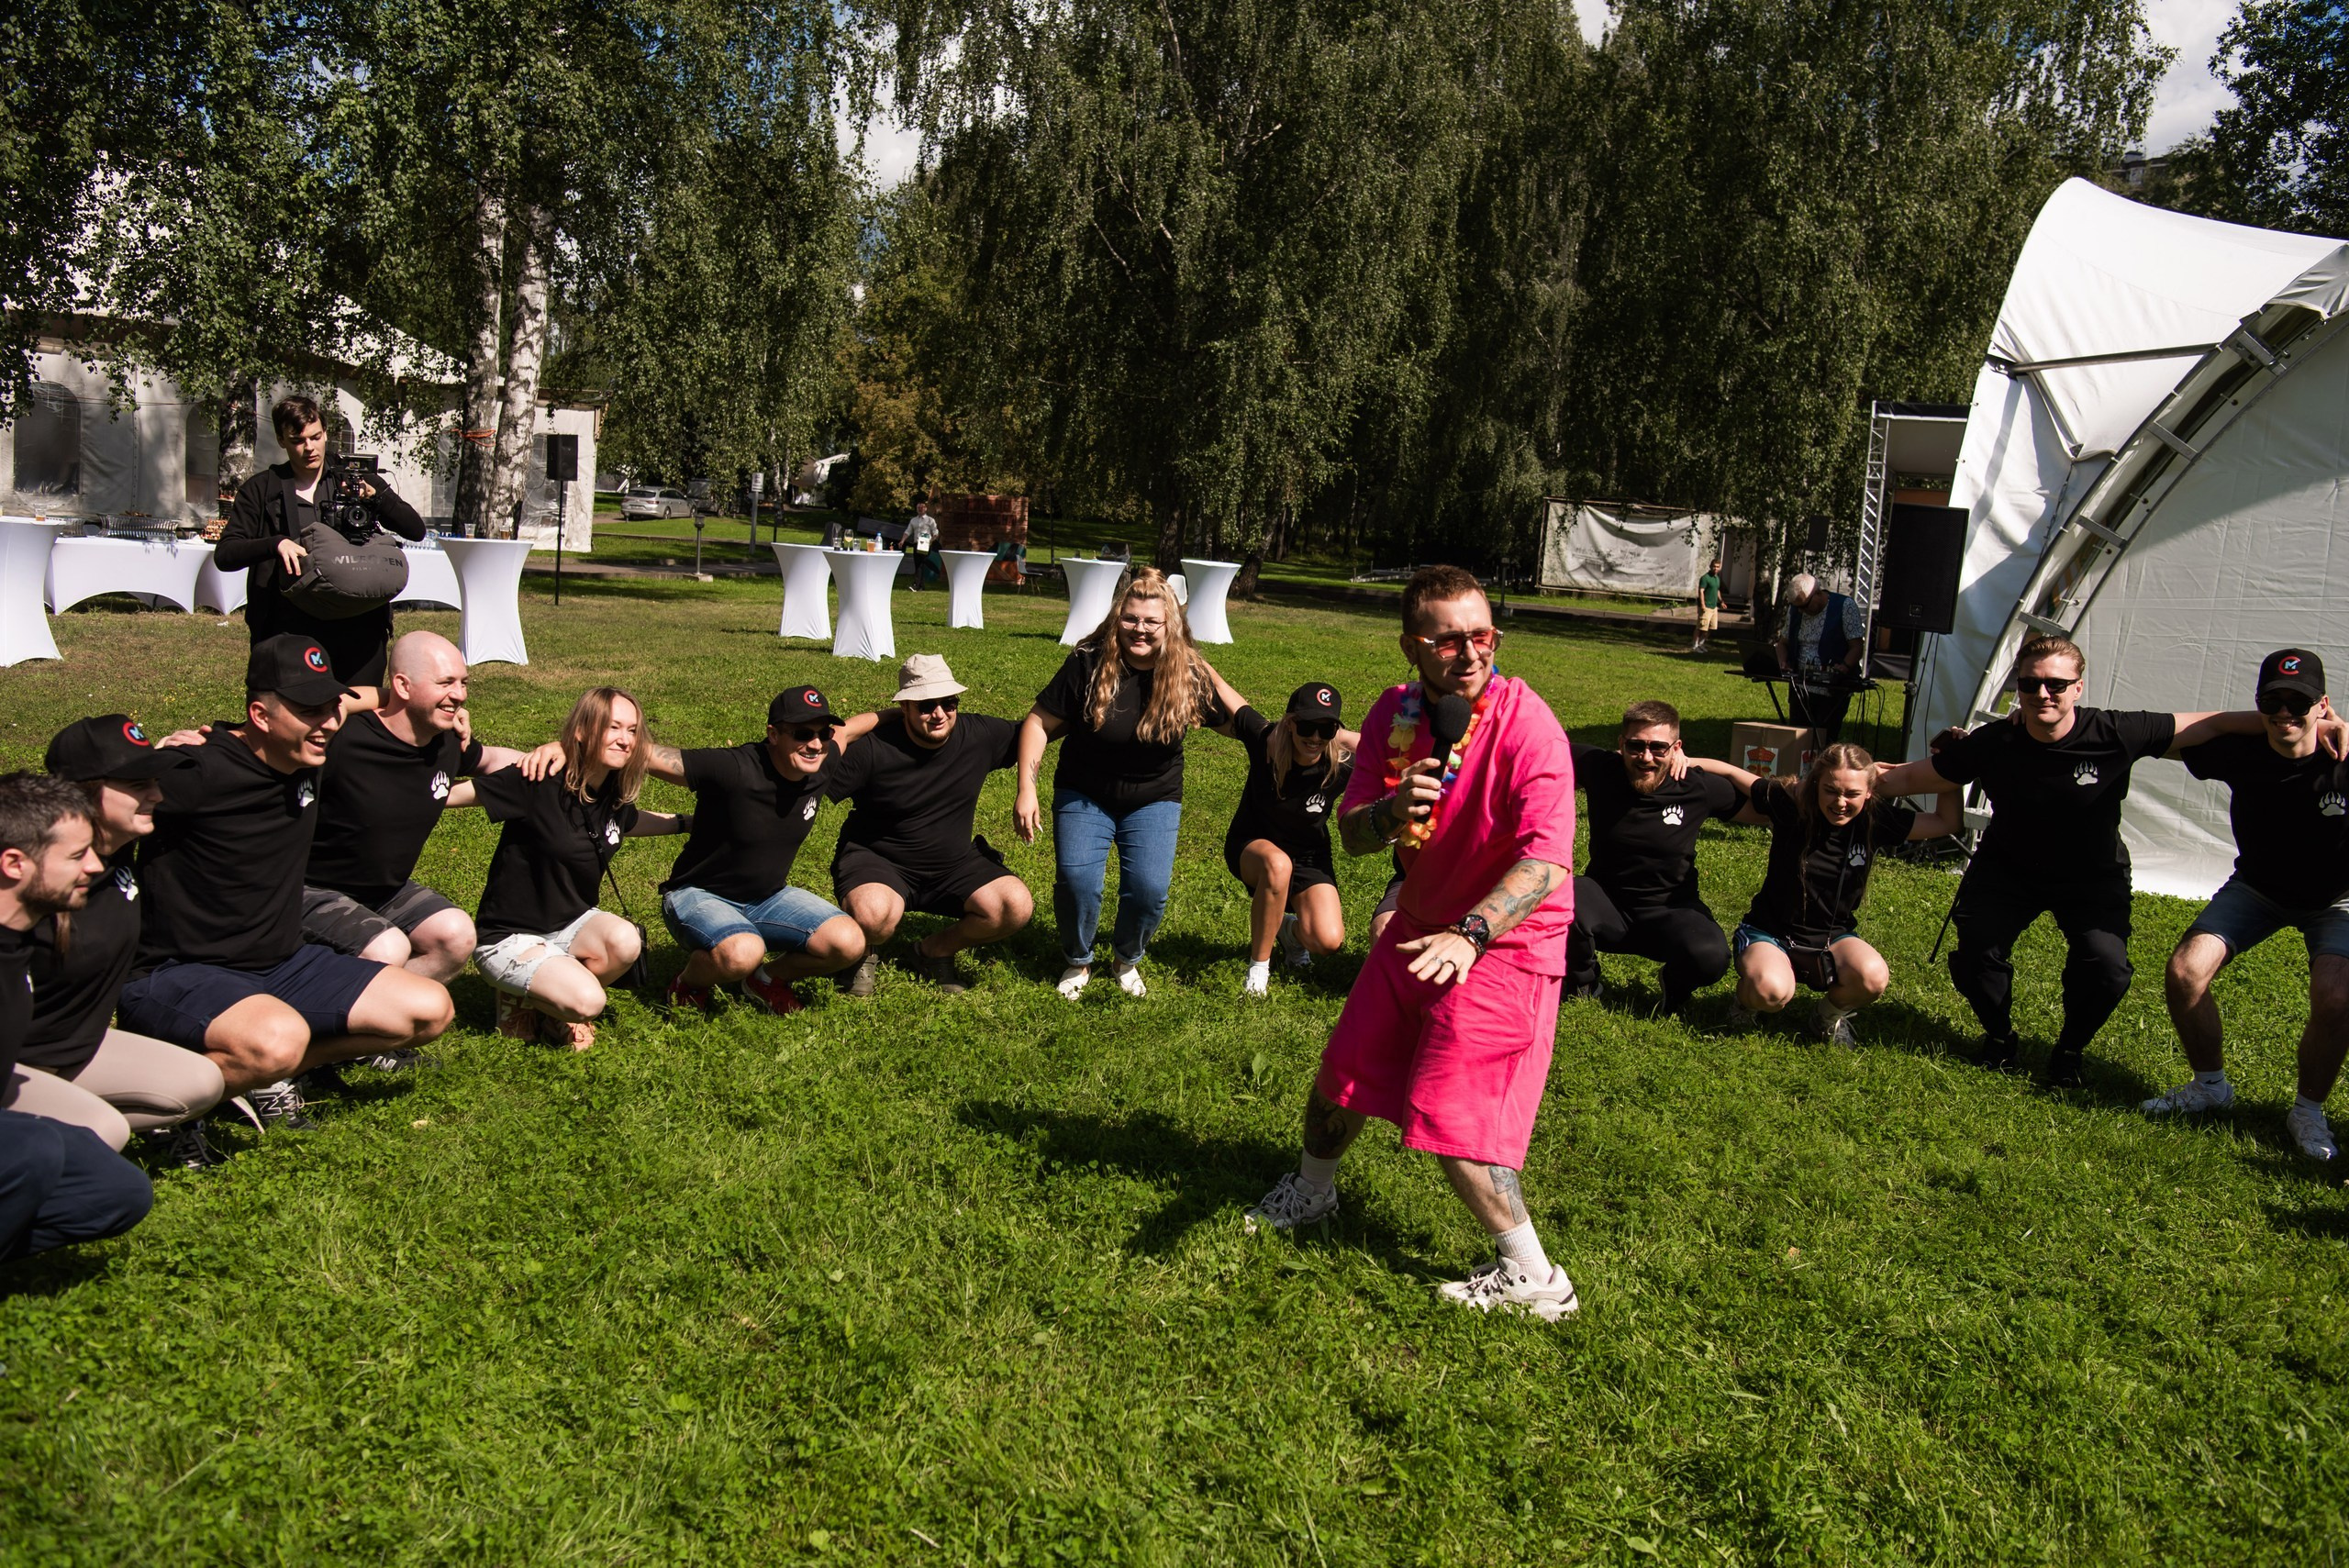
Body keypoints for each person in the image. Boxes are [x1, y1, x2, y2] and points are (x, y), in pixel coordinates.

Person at [1246, 565, 1583, 1321]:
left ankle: (1535, 1275)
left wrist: (1470, 935)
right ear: (1413, 646)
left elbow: (1547, 862)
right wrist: (1393, 812)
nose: (1471, 652)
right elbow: (1354, 834)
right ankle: (1312, 1193)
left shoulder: (1531, 727)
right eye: (1451, 638)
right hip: (1419, 924)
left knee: (1456, 1120)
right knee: (1342, 1074)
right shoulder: (1394, 715)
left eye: (1484, 634)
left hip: (1506, 940)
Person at [1876, 633, 2299, 1085]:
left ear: (2078, 687)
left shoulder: (2116, 730)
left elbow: (2211, 724)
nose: (2043, 693)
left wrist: (2309, 721)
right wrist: (1842, 781)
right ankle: (1999, 1037)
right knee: (1976, 951)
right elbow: (1912, 777)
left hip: (2091, 874)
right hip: (2007, 868)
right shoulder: (1992, 741)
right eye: (2030, 683)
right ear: (2017, 688)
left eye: (2056, 684)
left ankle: (2069, 1050)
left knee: (2107, 968)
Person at [119, 636, 456, 1131]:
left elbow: (367, 699)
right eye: (308, 711)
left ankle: (257, 1074)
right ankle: (173, 1106)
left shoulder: (306, 752)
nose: (327, 723)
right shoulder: (196, 772)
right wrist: (162, 753)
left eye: (330, 707)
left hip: (282, 962)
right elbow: (92, 801)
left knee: (430, 1010)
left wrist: (431, 698)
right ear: (260, 716)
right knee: (280, 1039)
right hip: (185, 968)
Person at [2143, 650, 2349, 1161]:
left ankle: (2307, 1110)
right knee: (2185, 972)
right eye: (2272, 701)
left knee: (2336, 998)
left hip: (2337, 899)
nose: (2285, 713)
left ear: (2321, 704)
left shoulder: (2345, 757)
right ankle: (2211, 1087)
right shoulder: (2241, 750)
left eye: (2298, 703)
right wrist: (2255, 720)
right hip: (2257, 889)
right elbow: (2155, 735)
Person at [1015, 566, 1244, 1000]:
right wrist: (1027, 788)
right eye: (1130, 618)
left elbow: (1239, 725)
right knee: (1076, 881)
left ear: (1169, 625)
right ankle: (1078, 959)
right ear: (1118, 617)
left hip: (1154, 797)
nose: (1139, 629)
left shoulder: (1186, 672)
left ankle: (1125, 957)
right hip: (1084, 792)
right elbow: (1037, 723)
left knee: (1149, 891)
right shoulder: (1087, 662)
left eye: (1151, 621)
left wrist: (1209, 672)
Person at [8, 721, 225, 1167]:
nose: (158, 795)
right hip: (17, 1065)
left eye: (157, 781)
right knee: (103, 1131)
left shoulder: (117, 842)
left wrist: (164, 748)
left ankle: (61, 1123)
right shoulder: (38, 876)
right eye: (140, 784)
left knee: (201, 1082)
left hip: (80, 1048)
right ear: (85, 794)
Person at [459, 687, 686, 1049]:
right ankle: (519, 996)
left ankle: (547, 1003)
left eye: (632, 730)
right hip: (508, 937)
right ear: (582, 731)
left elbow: (628, 822)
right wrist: (421, 784)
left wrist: (686, 823)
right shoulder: (538, 778)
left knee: (626, 942)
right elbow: (458, 795)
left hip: (569, 924)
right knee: (589, 1002)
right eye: (613, 727)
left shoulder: (609, 790)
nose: (625, 740)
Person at [300, 631, 530, 986]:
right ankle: (325, 1013)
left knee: (455, 936)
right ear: (402, 687)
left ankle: (382, 1020)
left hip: (384, 890)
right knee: (386, 948)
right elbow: (266, 750)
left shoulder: (446, 740)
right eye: (445, 683)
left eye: (463, 682)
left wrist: (554, 755)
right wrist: (208, 741)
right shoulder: (341, 739)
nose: (459, 695)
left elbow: (489, 760)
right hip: (306, 888)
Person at [1704, 742, 1961, 1042]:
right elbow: (1732, 773)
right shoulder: (1792, 806)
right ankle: (1746, 1004)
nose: (1840, 802)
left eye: (1852, 794)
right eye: (1831, 790)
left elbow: (1947, 821)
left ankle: (1826, 1015)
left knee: (1873, 976)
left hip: (1831, 935)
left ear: (1869, 792)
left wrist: (1951, 768)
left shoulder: (1874, 820)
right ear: (1815, 786)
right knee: (1771, 992)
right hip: (1770, 931)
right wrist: (1682, 759)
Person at [646, 687, 875, 1015]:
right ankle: (689, 983)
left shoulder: (821, 761)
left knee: (849, 942)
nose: (814, 744)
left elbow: (849, 729)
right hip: (698, 893)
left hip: (767, 896)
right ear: (773, 734)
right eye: (801, 733)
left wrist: (904, 712)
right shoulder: (736, 767)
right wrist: (569, 747)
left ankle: (766, 979)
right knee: (742, 951)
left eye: (821, 733)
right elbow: (649, 757)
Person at [0, 784, 151, 1264]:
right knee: (36, 1147)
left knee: (117, 1190)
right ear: (14, 864)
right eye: (77, 856)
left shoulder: (18, 943)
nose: (94, 867)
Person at [829, 656, 1031, 997]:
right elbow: (810, 775)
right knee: (874, 913)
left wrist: (1027, 788)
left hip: (952, 864)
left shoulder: (978, 734)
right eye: (925, 705)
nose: (939, 713)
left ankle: (933, 951)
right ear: (905, 707)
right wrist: (864, 723)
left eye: (948, 703)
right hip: (880, 861)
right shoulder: (873, 750)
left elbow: (1039, 726)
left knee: (1015, 905)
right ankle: (864, 951)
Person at [214, 394, 429, 703]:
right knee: (294, 718)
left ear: (326, 433)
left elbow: (415, 530)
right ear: (281, 440)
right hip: (289, 626)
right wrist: (276, 544)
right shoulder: (262, 489)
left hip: (359, 625)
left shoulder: (353, 479)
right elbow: (226, 554)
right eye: (297, 440)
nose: (309, 447)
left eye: (316, 437)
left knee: (354, 715)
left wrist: (378, 497)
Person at [1564, 701, 1744, 1015]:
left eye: (1658, 748)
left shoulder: (1695, 786)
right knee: (1560, 897)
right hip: (1607, 902)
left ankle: (1674, 985)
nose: (1646, 757)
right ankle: (1584, 984)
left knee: (1712, 957)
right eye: (1636, 746)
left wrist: (1723, 767)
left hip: (1670, 910)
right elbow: (1538, 746)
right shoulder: (1601, 767)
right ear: (1621, 744)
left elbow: (1770, 805)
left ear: (1676, 749)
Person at [1225, 683, 1359, 997]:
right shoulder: (1267, 742)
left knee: (1327, 941)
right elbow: (1232, 699)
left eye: (1325, 729)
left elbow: (1388, 746)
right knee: (1277, 864)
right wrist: (1190, 656)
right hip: (1253, 846)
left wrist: (1341, 737)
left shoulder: (1341, 765)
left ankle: (1287, 930)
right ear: (1290, 723)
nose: (1314, 737)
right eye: (1306, 726)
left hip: (1308, 855)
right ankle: (1259, 966)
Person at [1775, 573, 1865, 744]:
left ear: (1818, 593)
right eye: (1797, 607)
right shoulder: (1796, 609)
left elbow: (1856, 646)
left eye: (1805, 606)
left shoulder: (1845, 606)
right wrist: (1782, 661)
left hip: (1831, 690)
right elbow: (1783, 643)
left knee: (1825, 740)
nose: (1801, 611)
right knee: (1799, 738)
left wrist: (1844, 667)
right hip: (1800, 686)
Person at [905, 500, 941, 590]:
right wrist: (902, 540)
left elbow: (935, 531)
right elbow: (908, 531)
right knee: (918, 564)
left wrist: (933, 538)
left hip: (926, 544)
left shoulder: (930, 520)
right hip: (916, 544)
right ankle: (921, 586)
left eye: (922, 508)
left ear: (925, 509)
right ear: (916, 509)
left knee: (920, 564)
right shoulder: (913, 520)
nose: (920, 509)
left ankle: (916, 585)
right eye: (918, 508)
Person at [1691, 558, 1724, 652]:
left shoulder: (1717, 579)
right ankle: (1695, 646)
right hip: (1706, 607)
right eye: (1714, 566)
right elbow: (1701, 591)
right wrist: (1703, 605)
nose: (1716, 568)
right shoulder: (1705, 578)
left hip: (1714, 608)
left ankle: (1701, 644)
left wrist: (1721, 601)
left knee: (1711, 628)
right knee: (1700, 627)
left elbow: (1717, 591)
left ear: (1720, 567)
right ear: (1710, 566)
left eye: (1718, 567)